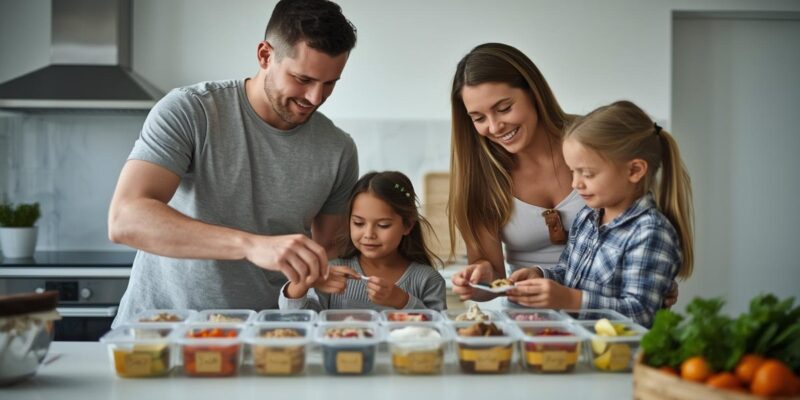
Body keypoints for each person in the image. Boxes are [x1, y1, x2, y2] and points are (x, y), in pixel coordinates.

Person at [108, 0, 359, 327]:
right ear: (265, 55)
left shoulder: (338, 149)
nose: (315, 97)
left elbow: (328, 254)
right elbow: (125, 218)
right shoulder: (191, 111)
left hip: (267, 341)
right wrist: (251, 245)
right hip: (160, 333)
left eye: (330, 83)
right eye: (302, 79)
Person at [448, 43, 679, 308]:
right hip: (533, 319)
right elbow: (496, 282)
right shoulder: (480, 176)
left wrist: (654, 280)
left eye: (504, 108)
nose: (494, 126)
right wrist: (482, 278)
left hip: (606, 322)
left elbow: (645, 232)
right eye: (478, 118)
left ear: (533, 92)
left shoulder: (591, 141)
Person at [505, 100, 694, 327]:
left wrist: (570, 300)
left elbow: (642, 314)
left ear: (634, 170)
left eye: (587, 173)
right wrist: (541, 276)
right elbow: (568, 273)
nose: (575, 184)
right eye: (572, 172)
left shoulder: (651, 233)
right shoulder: (587, 217)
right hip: (580, 348)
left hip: (623, 358)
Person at [279, 171, 447, 311]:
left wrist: (403, 301)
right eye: (359, 223)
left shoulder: (428, 280)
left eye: (383, 225)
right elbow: (296, 321)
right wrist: (301, 284)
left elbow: (440, 331)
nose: (369, 234)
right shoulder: (332, 273)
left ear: (408, 225)